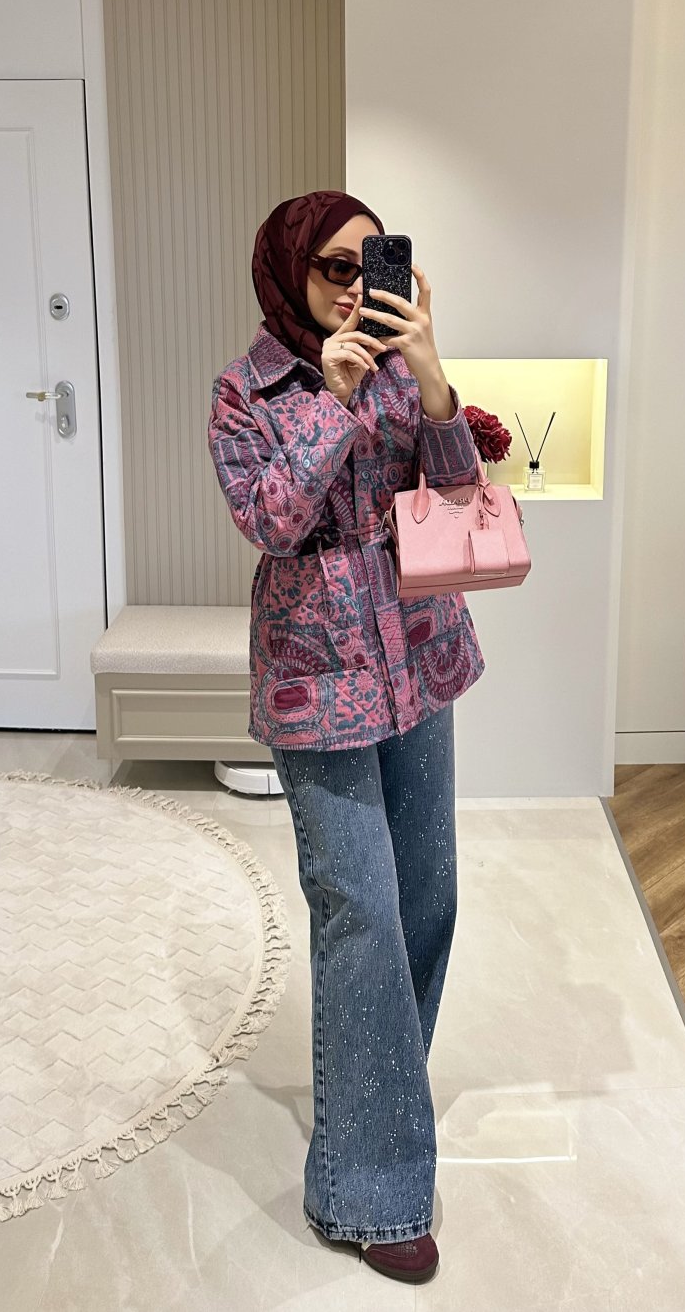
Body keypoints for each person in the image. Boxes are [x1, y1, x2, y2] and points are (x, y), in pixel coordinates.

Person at [207, 190, 486, 1285]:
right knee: (360, 911)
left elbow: (459, 497)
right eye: (333, 266)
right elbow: (271, 522)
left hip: (418, 653)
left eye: (373, 265)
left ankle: (380, 1104)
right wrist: (330, 398)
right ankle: (366, 1186)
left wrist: (430, 373)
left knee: (428, 897)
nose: (354, 286)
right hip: (315, 681)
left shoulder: (404, 369)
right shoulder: (248, 390)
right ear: (290, 271)